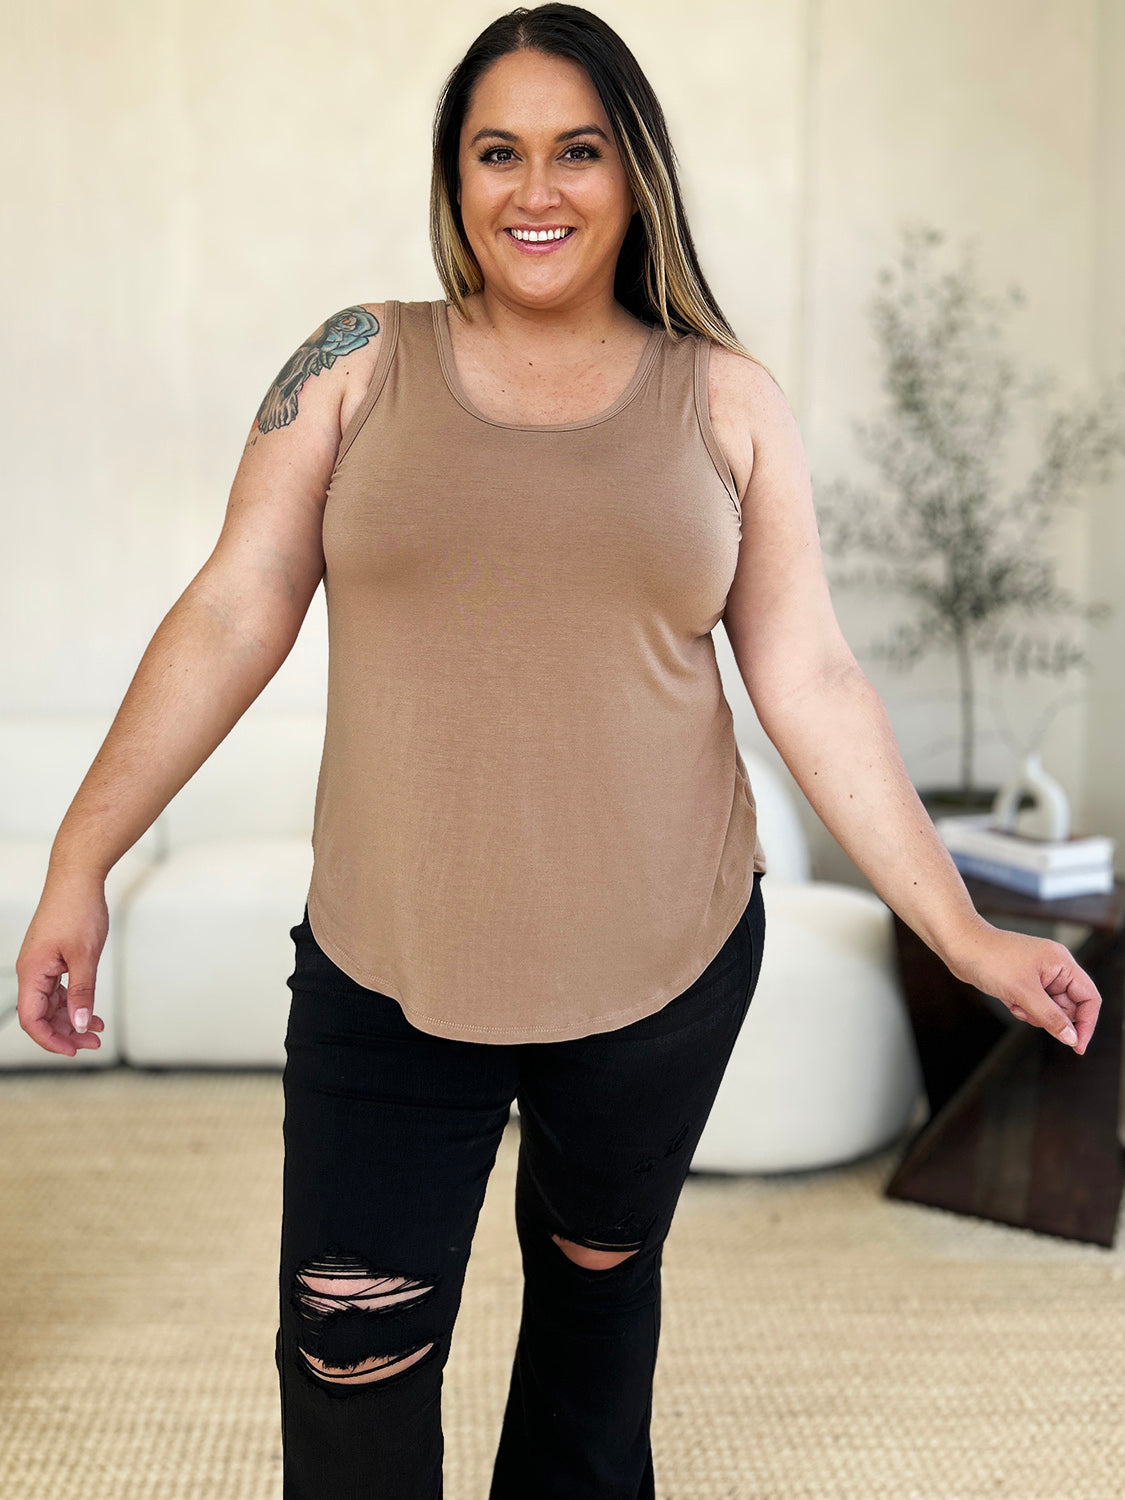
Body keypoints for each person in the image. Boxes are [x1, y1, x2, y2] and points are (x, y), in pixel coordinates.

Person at [16, 4, 1102, 1497]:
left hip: (655, 967)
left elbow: (809, 673)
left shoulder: (721, 399)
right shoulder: (353, 363)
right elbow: (231, 610)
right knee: (351, 1355)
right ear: (453, 178)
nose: (537, 189)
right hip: (392, 963)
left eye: (577, 150)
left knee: (593, 1320)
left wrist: (962, 931)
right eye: (497, 151)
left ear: (633, 172)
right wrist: (82, 860)